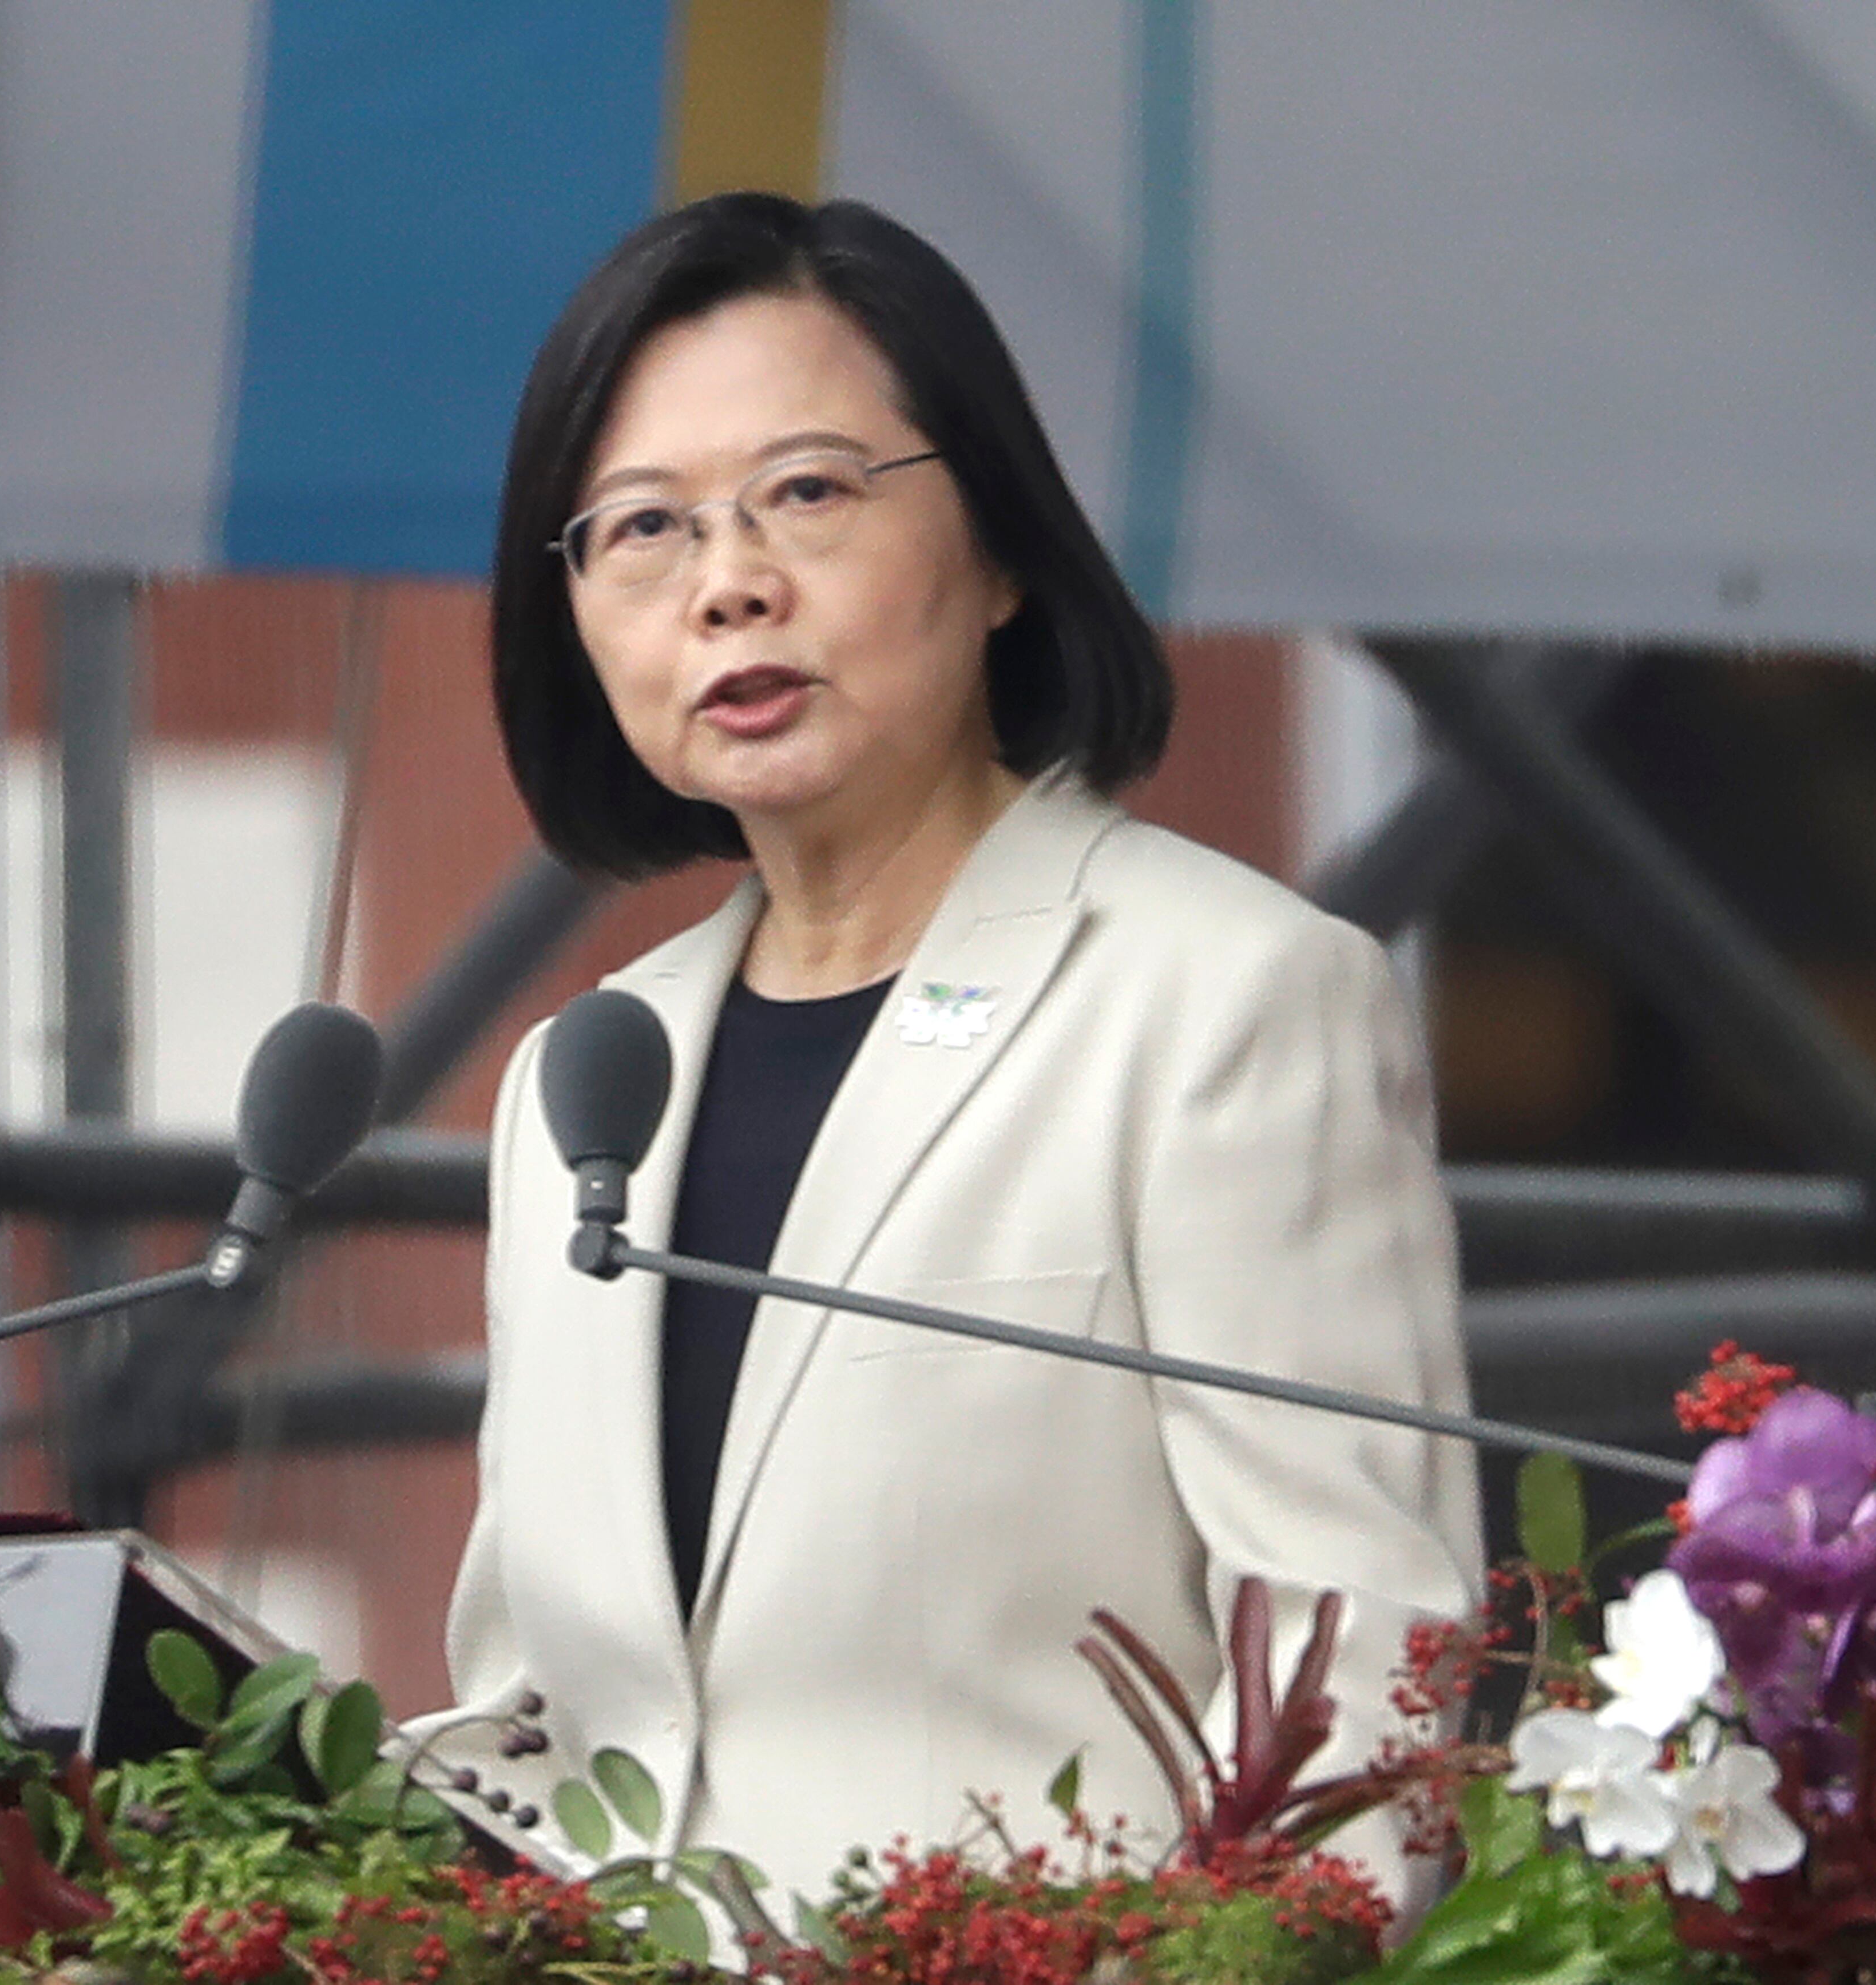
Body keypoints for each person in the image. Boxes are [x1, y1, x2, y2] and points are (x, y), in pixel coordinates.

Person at [436, 192, 1482, 1917]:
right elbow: (537, 1720)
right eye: (642, 530)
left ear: (998, 549)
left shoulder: (1223, 1001)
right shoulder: (583, 1088)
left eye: (811, 493)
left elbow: (1364, 1674)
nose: (730, 585)